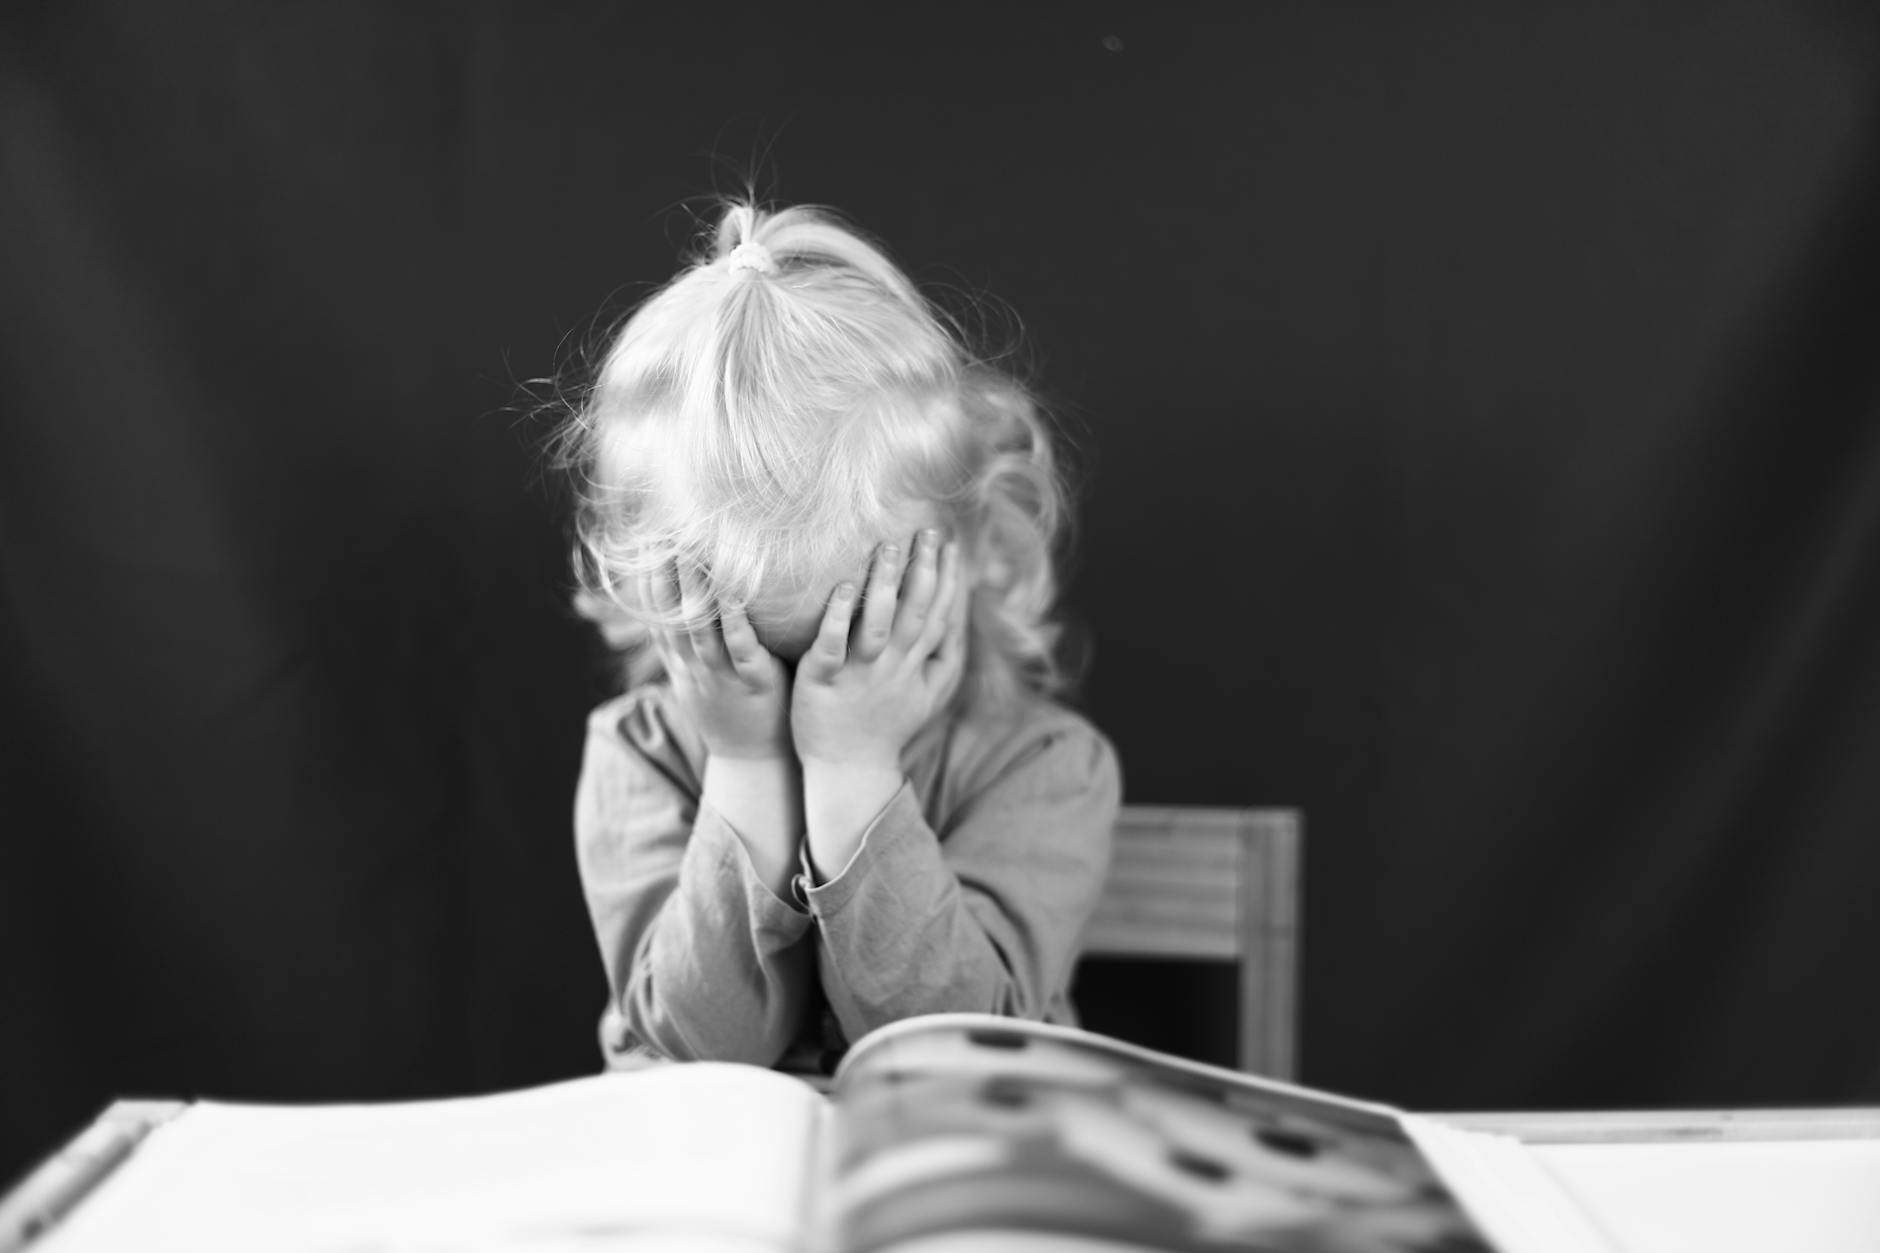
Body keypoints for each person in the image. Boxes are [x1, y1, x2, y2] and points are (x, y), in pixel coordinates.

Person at [558, 198, 1121, 1073]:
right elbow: (696, 1055)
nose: (808, 696)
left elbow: (957, 1051)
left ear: (972, 550)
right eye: (743, 644)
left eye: (857, 629)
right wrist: (744, 768)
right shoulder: (639, 756)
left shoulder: (1045, 766)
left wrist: (855, 769)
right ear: (653, 599)